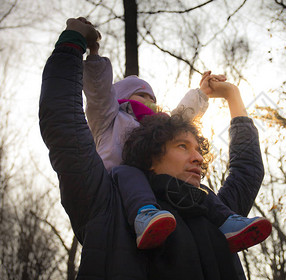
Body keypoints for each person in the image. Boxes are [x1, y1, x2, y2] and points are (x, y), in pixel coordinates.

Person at [39, 17, 269, 280]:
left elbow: (247, 170)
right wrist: (72, 42)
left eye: (198, 149)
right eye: (183, 147)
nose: (198, 157)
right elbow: (64, 125)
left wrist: (232, 95)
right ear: (151, 153)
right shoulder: (106, 207)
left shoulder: (214, 213)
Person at [80, 17, 270, 251]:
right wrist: (94, 55)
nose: (150, 102)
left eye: (153, 98)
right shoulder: (110, 117)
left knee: (199, 191)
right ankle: (144, 216)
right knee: (129, 173)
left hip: (156, 181)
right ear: (123, 99)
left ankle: (227, 220)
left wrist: (203, 93)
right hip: (116, 182)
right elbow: (98, 93)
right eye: (143, 96)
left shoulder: (156, 126)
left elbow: (181, 116)